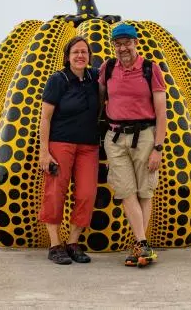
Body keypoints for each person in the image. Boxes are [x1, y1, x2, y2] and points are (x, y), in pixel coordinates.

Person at [98, 23, 167, 267]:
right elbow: (99, 98)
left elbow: (162, 112)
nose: (123, 47)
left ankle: (140, 245)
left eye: (127, 42)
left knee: (144, 192)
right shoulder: (107, 69)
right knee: (126, 191)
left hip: (145, 136)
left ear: (135, 42)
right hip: (115, 137)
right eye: (118, 43)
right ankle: (143, 244)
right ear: (113, 46)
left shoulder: (151, 69)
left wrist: (158, 148)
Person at [38, 36, 100, 265]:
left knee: (86, 194)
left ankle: (73, 242)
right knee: (55, 193)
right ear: (68, 56)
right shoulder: (58, 80)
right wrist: (44, 152)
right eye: (76, 52)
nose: (80, 56)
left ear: (89, 57)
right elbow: (45, 117)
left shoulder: (95, 77)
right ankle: (55, 245)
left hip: (89, 146)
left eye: (84, 52)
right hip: (61, 143)